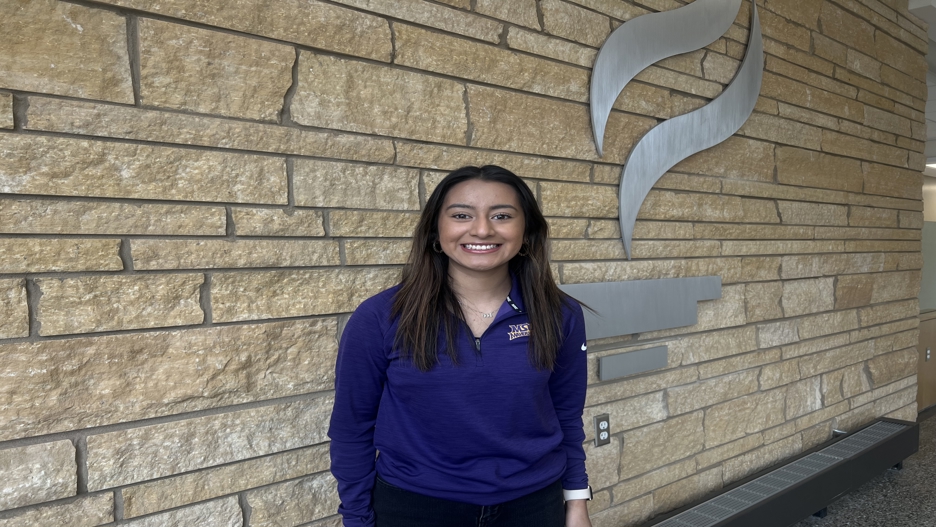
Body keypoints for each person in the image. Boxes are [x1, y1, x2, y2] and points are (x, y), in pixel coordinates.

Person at [328, 165, 592, 527]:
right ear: (437, 232)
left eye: (502, 215)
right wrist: (357, 519)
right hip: (415, 509)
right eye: (462, 215)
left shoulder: (560, 314)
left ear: (526, 233)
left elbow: (566, 416)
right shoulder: (381, 317)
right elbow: (350, 429)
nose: (482, 229)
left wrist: (576, 500)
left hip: (533, 507)